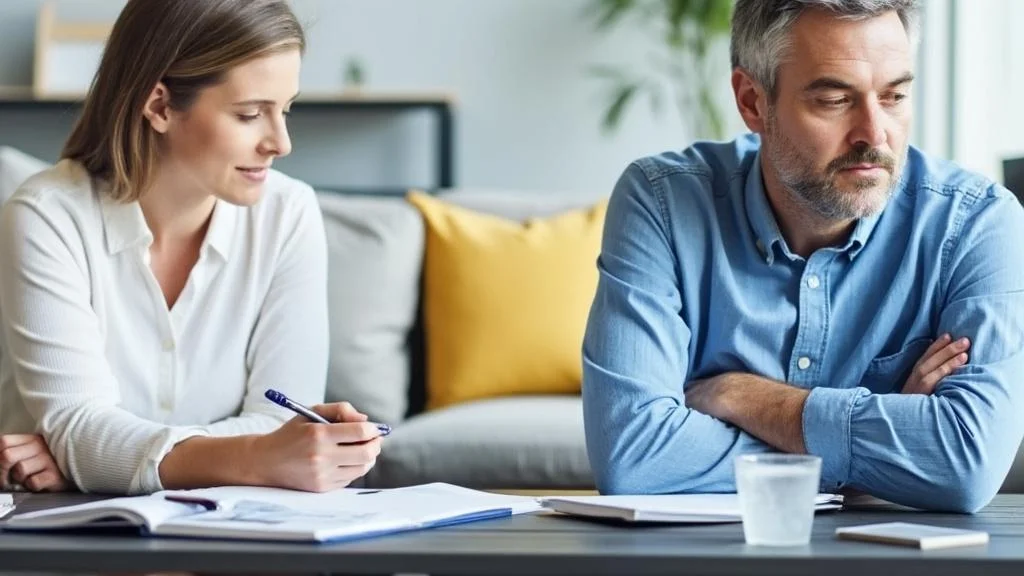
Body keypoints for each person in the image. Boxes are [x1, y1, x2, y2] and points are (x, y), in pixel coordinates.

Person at [582, 0, 1024, 513]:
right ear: (753, 102)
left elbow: (965, 462)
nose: (875, 135)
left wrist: (745, 398)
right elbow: (634, 456)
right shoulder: (660, 201)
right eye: (835, 100)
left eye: (895, 96)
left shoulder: (978, 223)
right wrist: (881, 457)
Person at [0, 0, 383, 495]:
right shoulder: (46, 217)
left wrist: (92, 460)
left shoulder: (289, 215)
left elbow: (279, 422)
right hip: (74, 540)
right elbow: (80, 427)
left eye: (285, 109)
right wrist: (88, 448)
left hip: (231, 531)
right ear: (159, 106)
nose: (281, 142)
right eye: (250, 114)